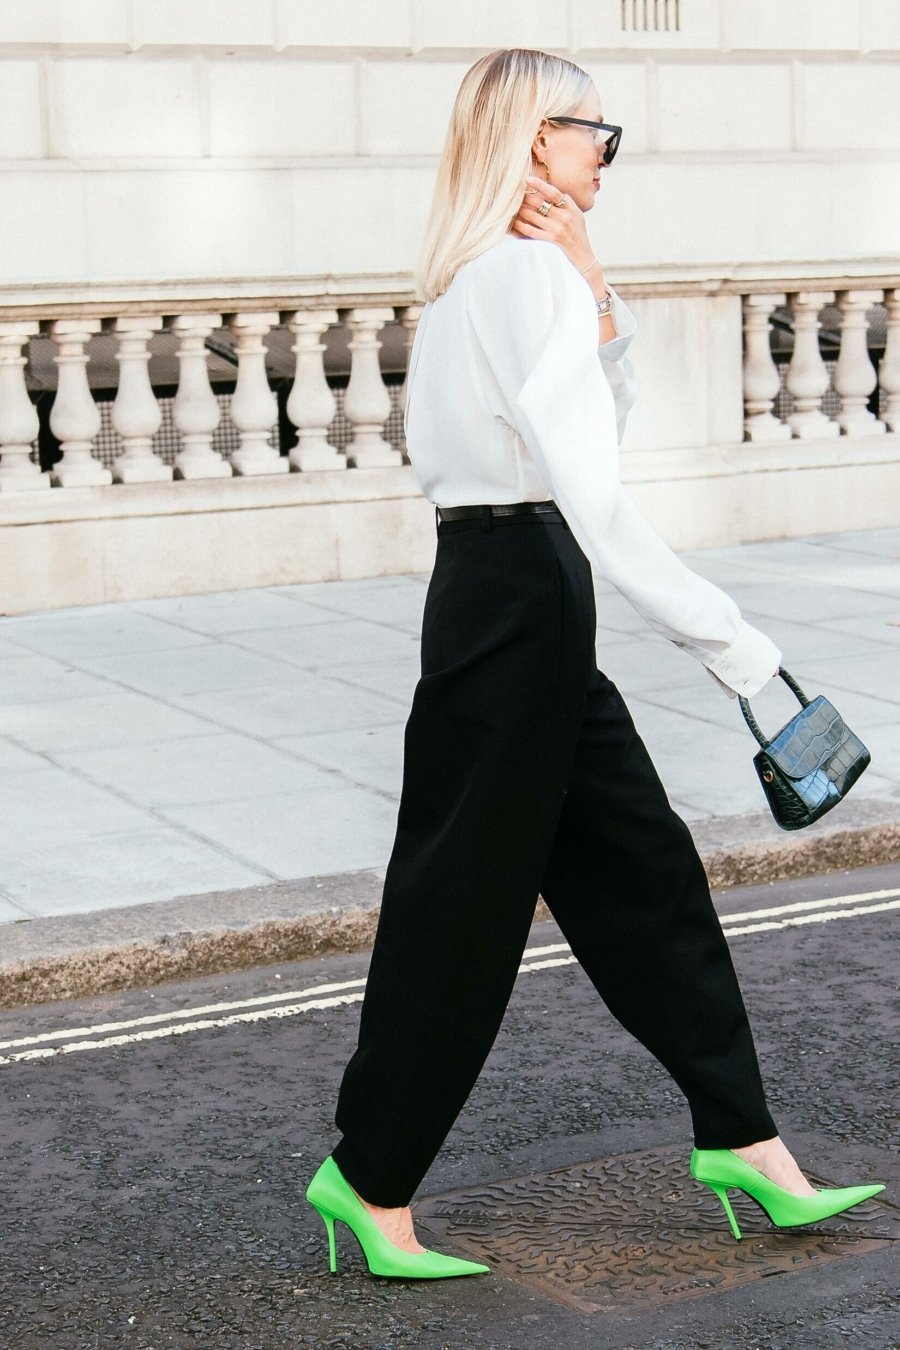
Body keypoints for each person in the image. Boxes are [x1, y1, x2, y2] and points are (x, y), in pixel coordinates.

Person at [305, 48, 883, 1279]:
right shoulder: (516, 276)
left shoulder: (487, 276)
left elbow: (577, 440)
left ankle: (745, 1140)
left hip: (503, 591)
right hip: (523, 597)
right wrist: (738, 648)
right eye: (593, 132)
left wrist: (596, 285)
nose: (604, 154)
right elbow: (598, 492)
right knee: (462, 909)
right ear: (532, 139)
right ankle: (369, 1180)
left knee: (644, 877)